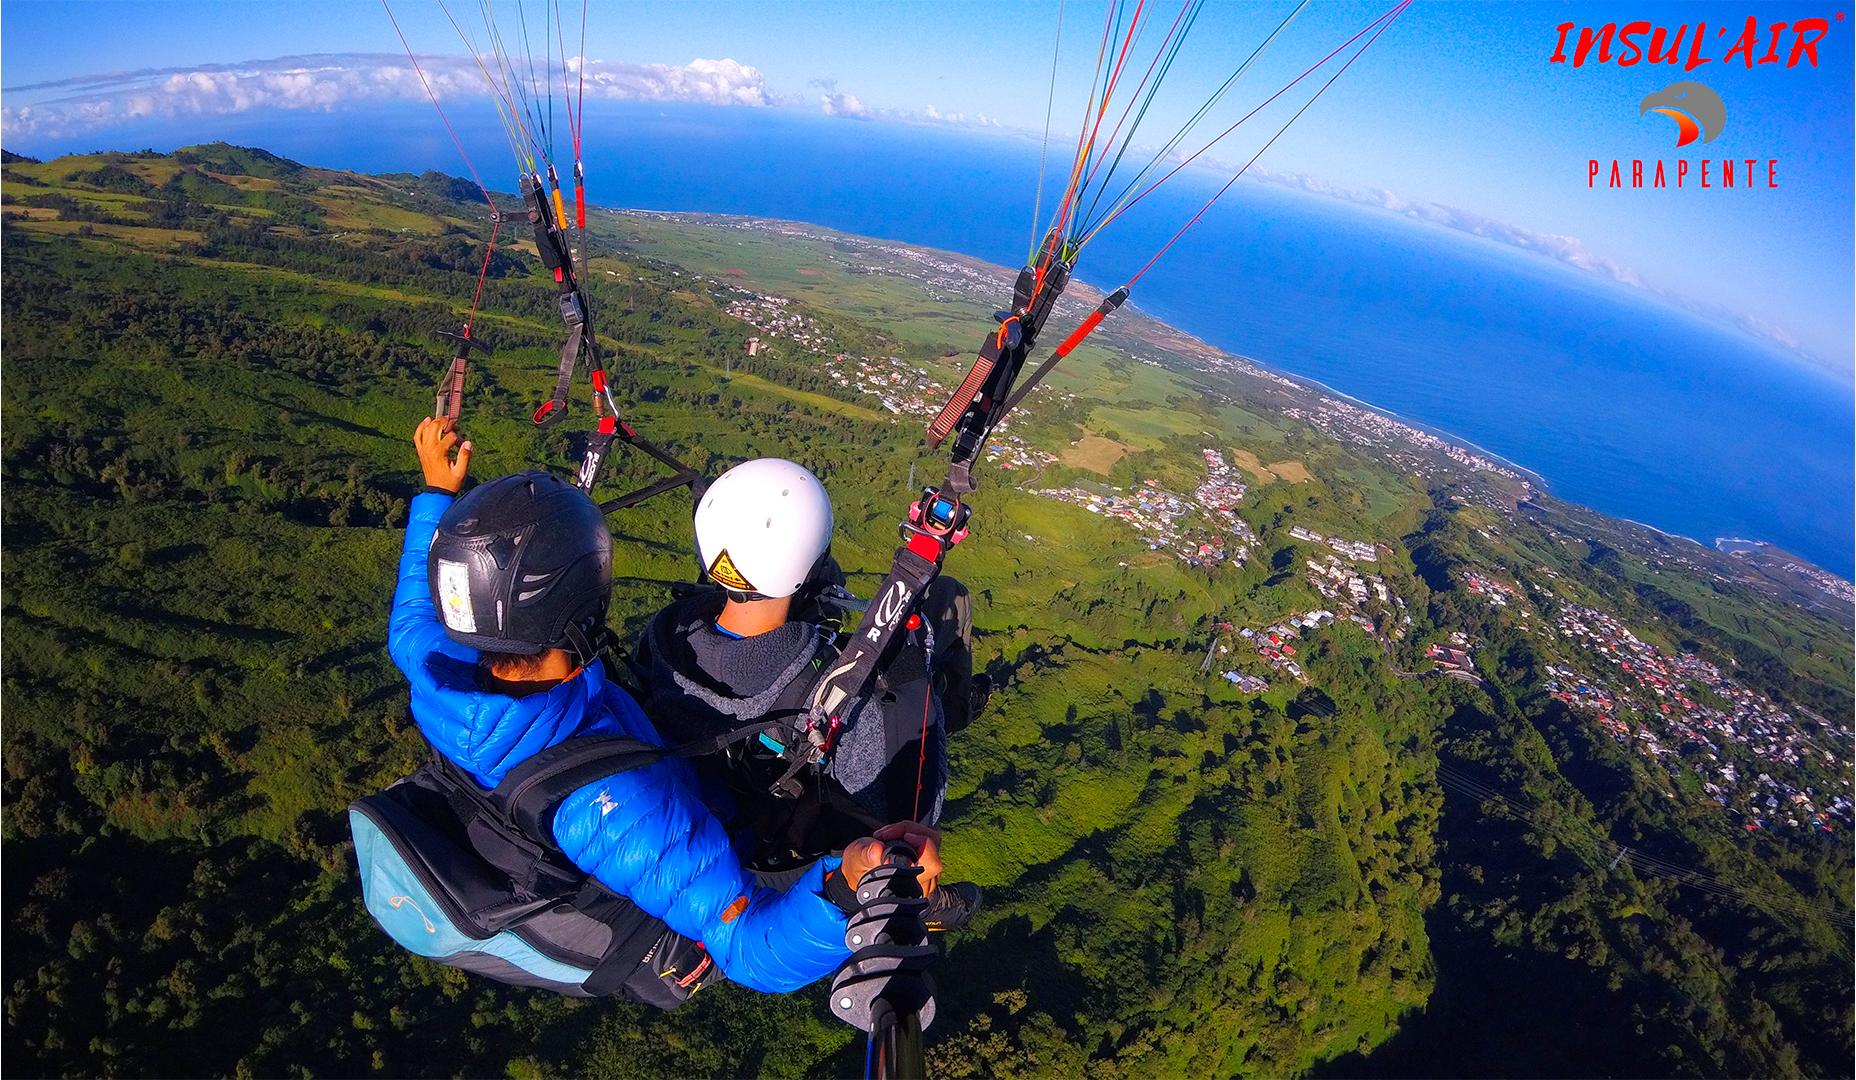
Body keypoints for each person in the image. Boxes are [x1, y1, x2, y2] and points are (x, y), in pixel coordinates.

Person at [391, 418, 943, 994]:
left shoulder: (433, 666)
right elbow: (751, 952)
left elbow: (413, 611)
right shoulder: (618, 814)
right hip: (667, 836)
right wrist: (846, 890)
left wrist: (436, 493)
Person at [631, 457, 985, 926]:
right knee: (947, 607)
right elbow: (912, 806)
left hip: (699, 809)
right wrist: (905, 663)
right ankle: (918, 900)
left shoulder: (666, 634)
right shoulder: (836, 692)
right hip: (780, 863)